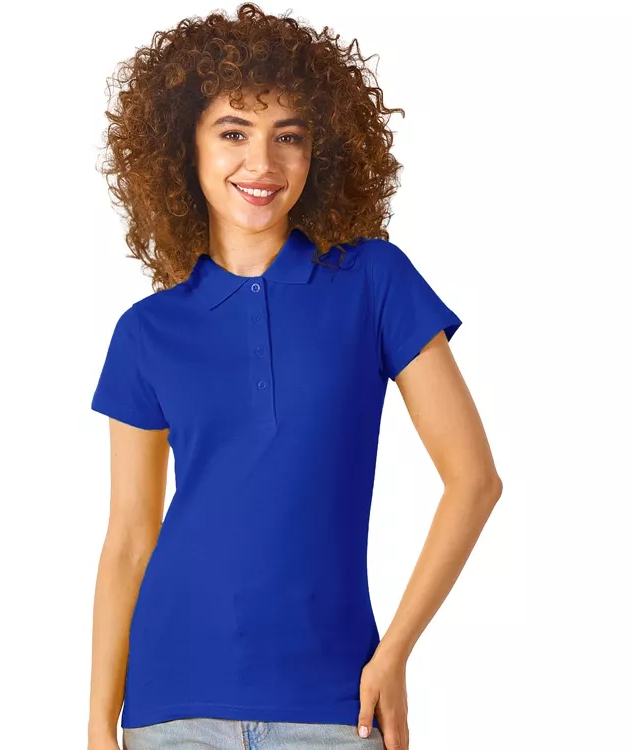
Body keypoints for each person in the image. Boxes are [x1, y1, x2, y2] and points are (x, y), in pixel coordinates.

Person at [87, 4, 502, 749]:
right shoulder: (147, 331)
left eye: (289, 136)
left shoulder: (374, 281)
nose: (262, 164)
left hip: (335, 702)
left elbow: (474, 481)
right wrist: (97, 723)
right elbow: (129, 538)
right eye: (233, 133)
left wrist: (395, 652)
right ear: (184, 146)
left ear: (320, 152)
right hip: (169, 707)